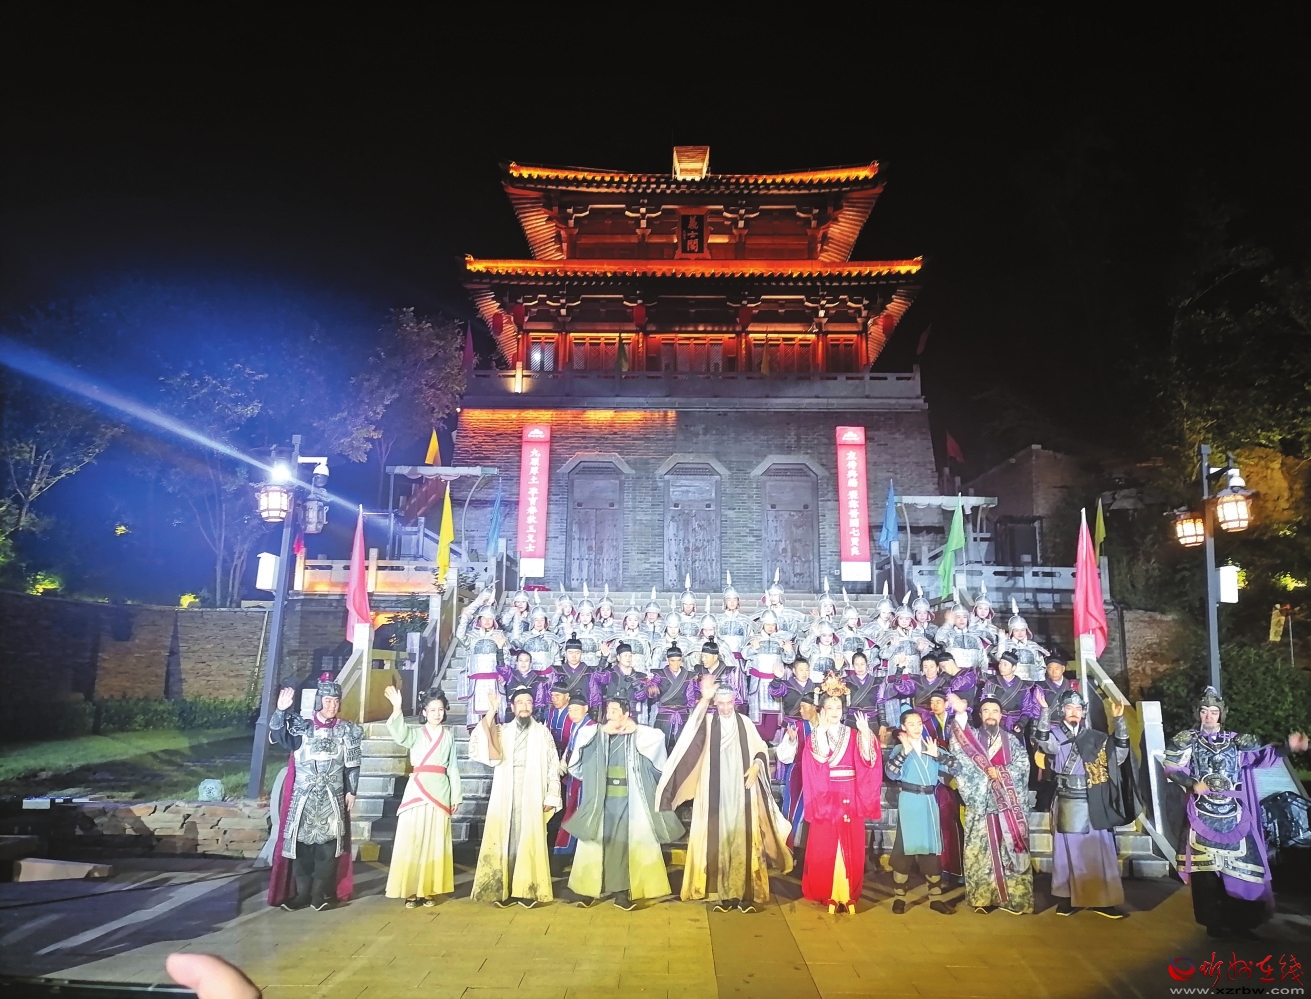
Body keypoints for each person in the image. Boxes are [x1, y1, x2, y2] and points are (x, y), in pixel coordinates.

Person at [1162, 685, 1308, 938]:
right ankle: (1214, 923)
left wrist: (1287, 746)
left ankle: (1242, 923)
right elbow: (1171, 767)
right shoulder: (1188, 740)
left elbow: (1263, 755)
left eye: (1213, 711)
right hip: (1202, 813)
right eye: (1204, 711)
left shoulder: (1236, 741)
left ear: (1221, 714)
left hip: (1234, 814)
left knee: (1243, 868)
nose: (1209, 716)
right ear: (1198, 713)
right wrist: (1192, 784)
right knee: (1207, 873)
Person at [656, 675, 793, 911]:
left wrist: (756, 766)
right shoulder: (709, 722)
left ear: (735, 702)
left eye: (729, 703)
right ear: (716, 704)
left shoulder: (745, 723)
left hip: (742, 791)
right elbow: (692, 729)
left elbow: (760, 748)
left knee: (743, 839)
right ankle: (724, 895)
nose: (726, 708)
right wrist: (704, 698)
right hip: (714, 791)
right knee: (718, 840)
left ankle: (745, 895)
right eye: (721, 703)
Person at [562, 697, 684, 909]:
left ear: (626, 714)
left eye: (616, 711)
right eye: (608, 711)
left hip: (629, 799)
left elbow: (658, 739)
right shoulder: (595, 733)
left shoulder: (638, 734)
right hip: (600, 798)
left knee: (626, 845)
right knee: (594, 844)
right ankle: (588, 890)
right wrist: (602, 731)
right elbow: (580, 751)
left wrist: (635, 728)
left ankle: (622, 892)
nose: (610, 715)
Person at [1032, 687, 1134, 918]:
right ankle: (1067, 897)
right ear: (1062, 711)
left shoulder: (1095, 737)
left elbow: (1118, 755)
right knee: (1067, 851)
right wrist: (1044, 711)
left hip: (1093, 798)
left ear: (1083, 712)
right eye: (1069, 707)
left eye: (1078, 708)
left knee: (1099, 849)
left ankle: (1103, 900)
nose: (1074, 712)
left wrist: (1119, 721)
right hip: (1067, 798)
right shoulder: (1055, 735)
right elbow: (1044, 744)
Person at [780, 682, 882, 914]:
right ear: (822, 710)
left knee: (850, 843)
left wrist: (866, 735)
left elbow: (868, 761)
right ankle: (829, 893)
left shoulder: (854, 734)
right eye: (830, 707)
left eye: (838, 707)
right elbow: (819, 760)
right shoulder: (817, 735)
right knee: (827, 845)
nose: (835, 711)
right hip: (827, 795)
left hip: (849, 793)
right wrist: (821, 732)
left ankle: (847, 893)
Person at [266, 678, 362, 911]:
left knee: (328, 849)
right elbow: (278, 735)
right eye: (328, 701)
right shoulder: (302, 727)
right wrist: (280, 711)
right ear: (319, 701)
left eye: (336, 701)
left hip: (332, 798)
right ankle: (302, 894)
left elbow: (352, 765)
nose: (332, 706)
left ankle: (319, 895)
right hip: (303, 798)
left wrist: (352, 791)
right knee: (300, 848)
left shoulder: (348, 730)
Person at [468, 684, 563, 907]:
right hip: (506, 789)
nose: (525, 706)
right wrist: (491, 711)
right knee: (506, 837)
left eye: (528, 702)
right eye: (520, 702)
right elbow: (478, 744)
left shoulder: (543, 733)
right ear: (512, 707)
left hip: (534, 789)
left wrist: (552, 795)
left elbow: (553, 765)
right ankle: (506, 889)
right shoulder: (503, 731)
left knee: (529, 838)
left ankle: (529, 891)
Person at [947, 691, 1033, 914]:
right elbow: (959, 749)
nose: (991, 715)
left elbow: (1023, 766)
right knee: (981, 850)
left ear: (1002, 715)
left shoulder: (1011, 741)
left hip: (1008, 806)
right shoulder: (973, 738)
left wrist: (1001, 772)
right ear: (980, 715)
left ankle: (1014, 899)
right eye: (986, 711)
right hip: (981, 803)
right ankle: (983, 898)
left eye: (995, 711)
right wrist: (960, 714)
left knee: (1010, 849)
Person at [382, 684, 462, 907]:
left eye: (440, 709)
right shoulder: (415, 734)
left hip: (441, 790)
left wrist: (456, 795)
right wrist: (397, 708)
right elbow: (400, 735)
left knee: (435, 842)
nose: (437, 714)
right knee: (412, 839)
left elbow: (453, 767)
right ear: (424, 712)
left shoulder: (448, 736)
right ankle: (410, 890)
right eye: (432, 710)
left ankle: (429, 890)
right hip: (417, 789)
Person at [885, 708, 955, 915]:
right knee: (904, 848)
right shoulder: (900, 749)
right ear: (904, 727)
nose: (916, 727)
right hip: (909, 799)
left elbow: (957, 767)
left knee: (930, 848)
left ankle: (935, 898)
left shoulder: (931, 747)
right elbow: (891, 773)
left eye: (919, 723)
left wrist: (938, 756)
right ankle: (899, 898)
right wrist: (905, 753)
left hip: (928, 801)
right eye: (911, 724)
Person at [554, 691, 597, 859]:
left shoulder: (591, 727)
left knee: (578, 811)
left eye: (576, 710)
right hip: (573, 775)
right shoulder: (577, 726)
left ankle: (571, 851)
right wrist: (563, 763)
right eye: (570, 710)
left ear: (586, 709)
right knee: (572, 809)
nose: (572, 714)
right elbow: (570, 748)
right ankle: (568, 850)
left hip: (584, 776)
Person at [744, 607, 795, 740]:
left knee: (774, 717)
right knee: (757, 718)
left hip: (775, 683)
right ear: (762, 624)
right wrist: (753, 648)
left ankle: (772, 742)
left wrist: (789, 650)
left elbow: (789, 660)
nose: (771, 627)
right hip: (758, 682)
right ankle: (758, 744)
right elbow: (744, 654)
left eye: (773, 624)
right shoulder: (754, 638)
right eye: (768, 624)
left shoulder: (781, 640)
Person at [456, 593, 506, 725]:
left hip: (494, 680)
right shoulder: (472, 636)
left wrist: (504, 674)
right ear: (479, 619)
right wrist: (464, 619)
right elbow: (460, 636)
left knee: (495, 713)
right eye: (484, 618)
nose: (487, 621)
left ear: (494, 620)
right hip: (477, 681)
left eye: (490, 618)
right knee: (476, 717)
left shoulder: (500, 635)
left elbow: (506, 656)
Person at [647, 644, 697, 750]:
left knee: (681, 750)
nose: (676, 664)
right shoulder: (660, 674)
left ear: (681, 660)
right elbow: (653, 685)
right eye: (672, 661)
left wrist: (692, 715)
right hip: (664, 717)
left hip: (682, 716)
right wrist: (652, 688)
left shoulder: (688, 676)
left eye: (678, 661)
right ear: (667, 660)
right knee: (661, 749)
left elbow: (691, 698)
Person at [979, 651, 1033, 736]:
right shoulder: (992, 682)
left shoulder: (1023, 687)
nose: (1001, 667)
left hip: (1015, 723)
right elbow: (984, 703)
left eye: (1005, 665)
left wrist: (1021, 723)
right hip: (994, 721)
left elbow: (1027, 708)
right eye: (1000, 663)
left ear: (1014, 668)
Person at [501, 649, 551, 719]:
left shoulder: (539, 681)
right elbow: (501, 668)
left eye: (526, 661)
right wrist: (500, 649)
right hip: (512, 714)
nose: (523, 663)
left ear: (530, 664)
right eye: (520, 660)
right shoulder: (510, 675)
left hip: (530, 716)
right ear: (516, 663)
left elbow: (540, 705)